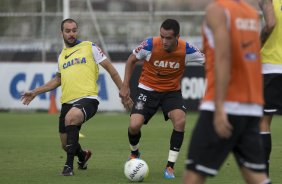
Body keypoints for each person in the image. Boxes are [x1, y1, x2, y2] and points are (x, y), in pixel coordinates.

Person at [21, 18, 132, 176]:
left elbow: (112, 70)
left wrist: (123, 91)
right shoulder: (62, 56)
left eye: (74, 30)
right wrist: (35, 92)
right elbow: (58, 80)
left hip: (88, 99)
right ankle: (83, 156)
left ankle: (68, 167)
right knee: (66, 144)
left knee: (71, 118)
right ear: (62, 33)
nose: (71, 34)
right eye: (68, 31)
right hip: (67, 102)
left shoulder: (89, 47)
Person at [184, 0, 270, 184]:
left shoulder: (217, 10)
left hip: (226, 104)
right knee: (256, 177)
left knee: (193, 176)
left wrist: (219, 106)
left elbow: (224, 56)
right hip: (251, 106)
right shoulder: (251, 13)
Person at [119, 19, 204, 179]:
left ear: (177, 36)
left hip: (171, 92)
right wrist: (125, 86)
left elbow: (209, 63)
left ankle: (170, 167)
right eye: (162, 36)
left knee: (180, 121)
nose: (164, 41)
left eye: (169, 38)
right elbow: (131, 59)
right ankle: (134, 152)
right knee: (134, 125)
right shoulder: (150, 44)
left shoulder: (188, 50)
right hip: (147, 89)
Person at [259, 0, 282, 176]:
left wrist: (256, 45)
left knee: (263, 122)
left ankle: (263, 175)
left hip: (272, 67)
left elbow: (271, 24)